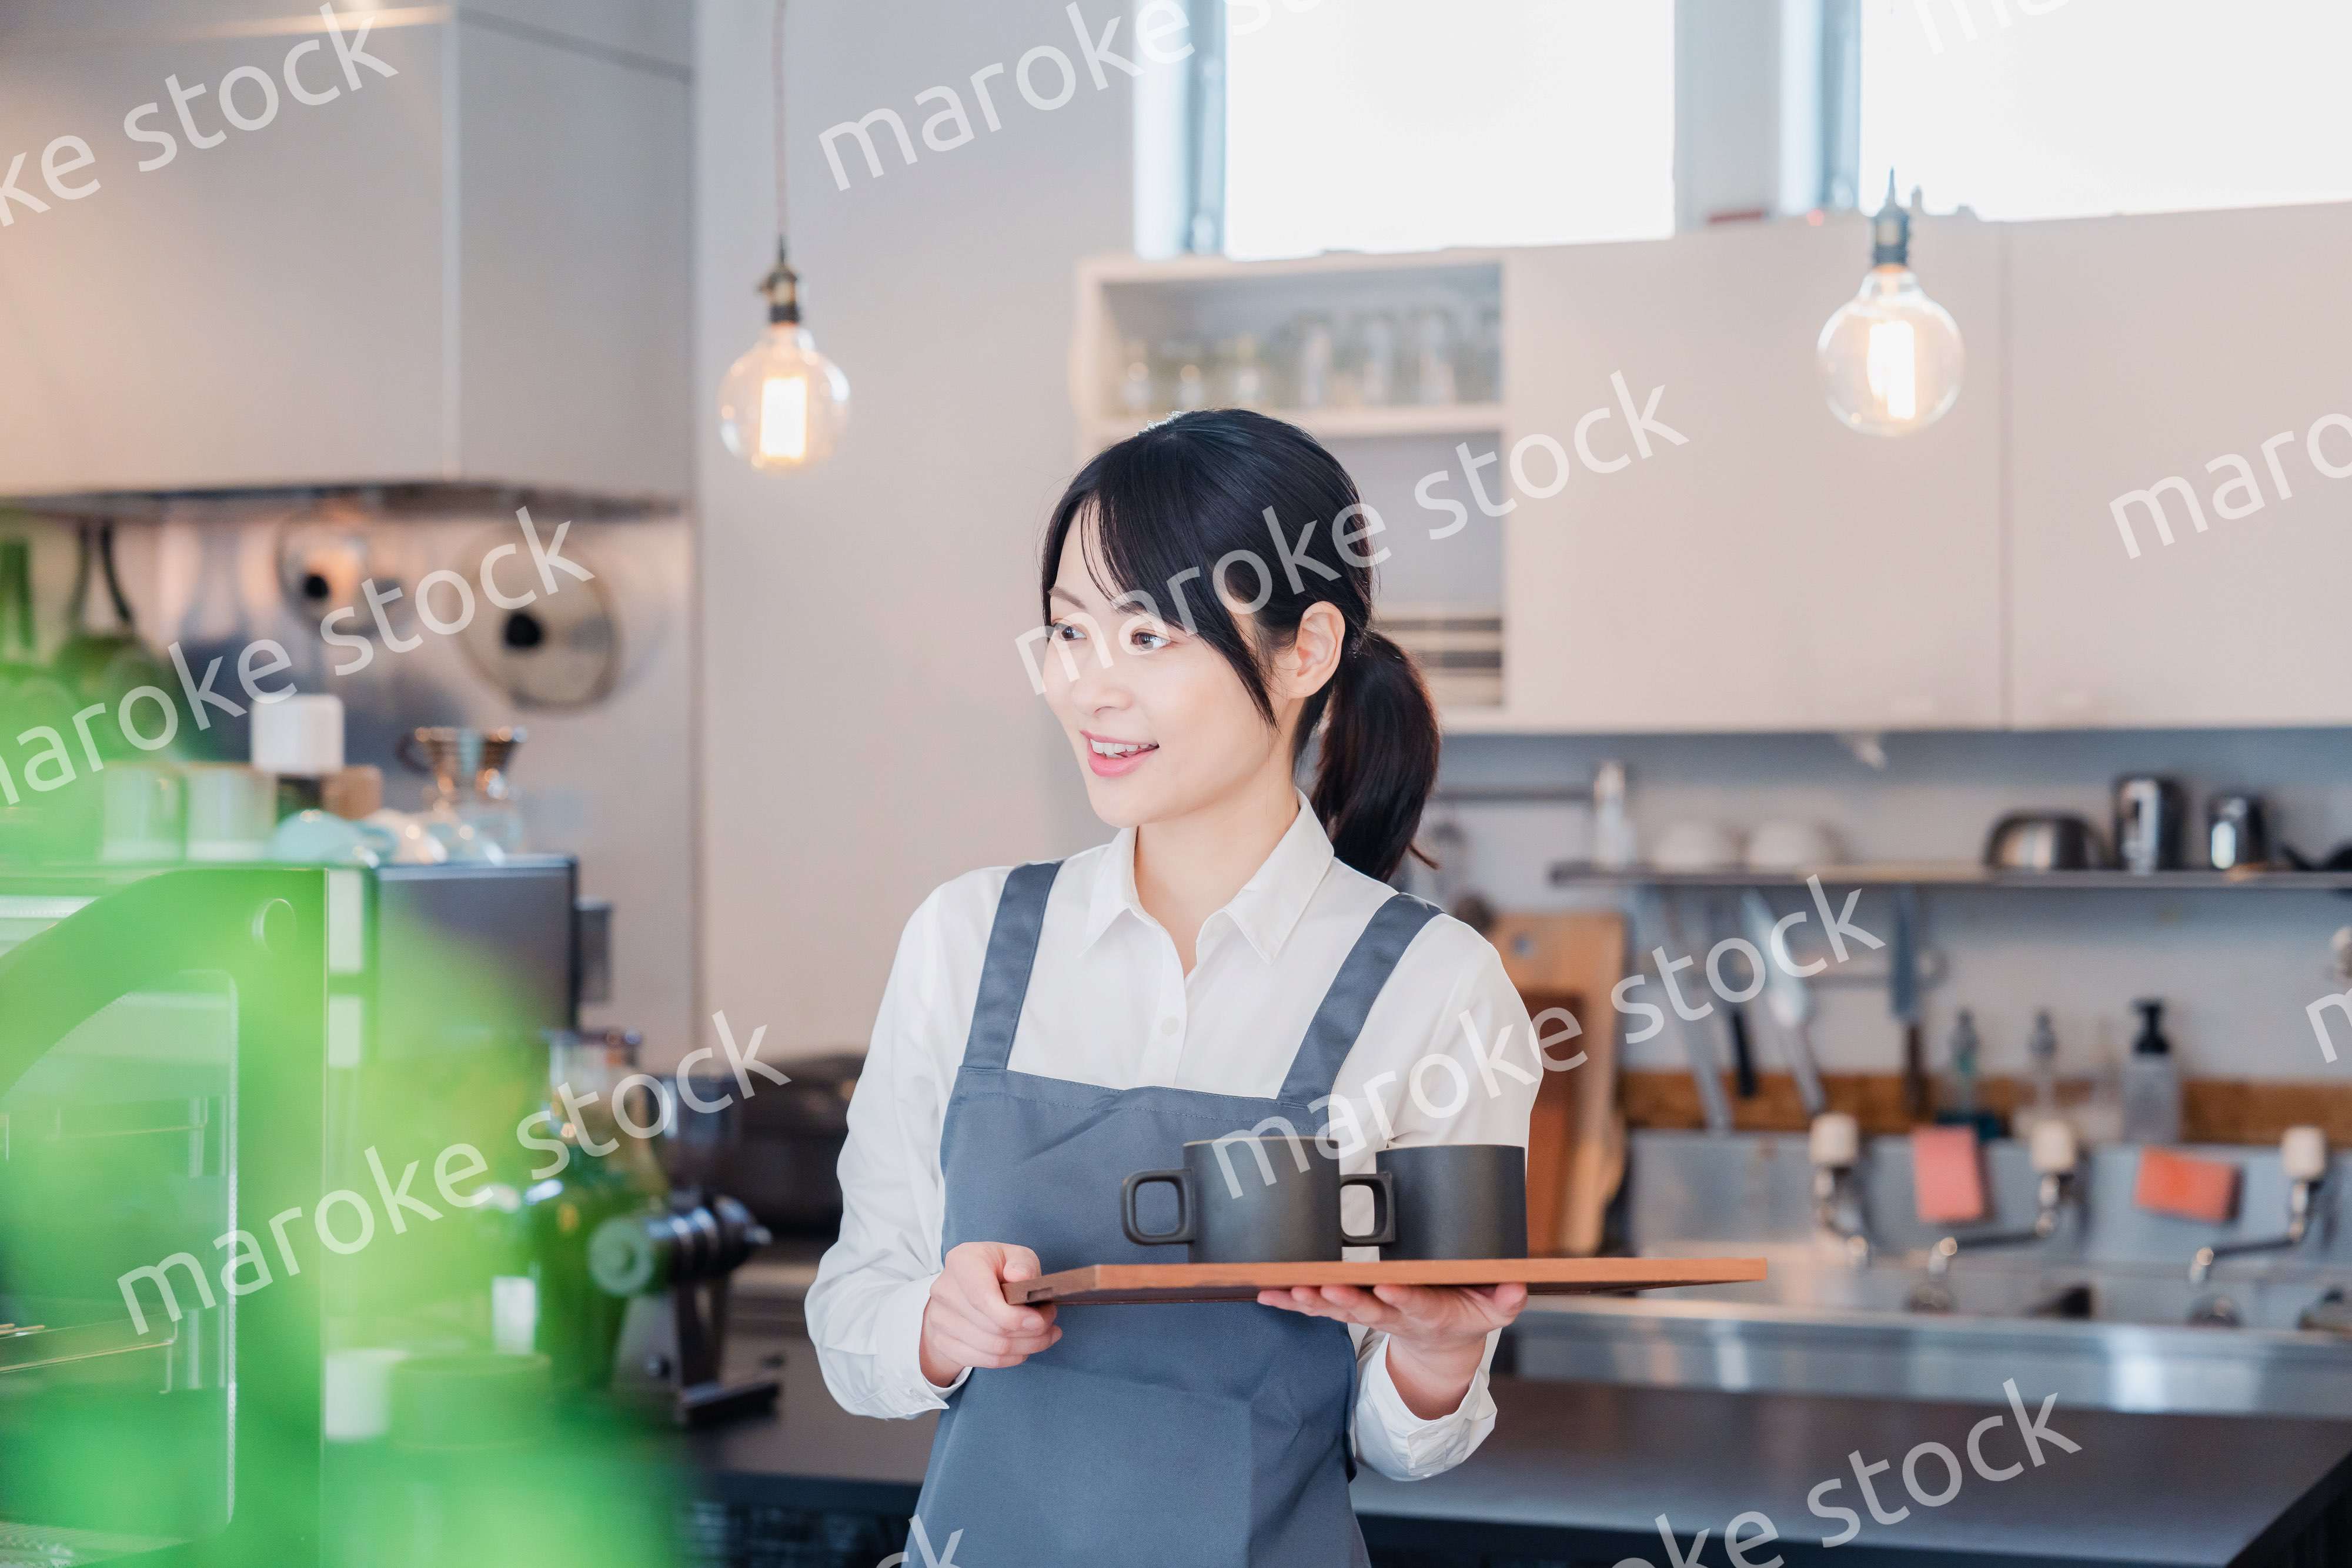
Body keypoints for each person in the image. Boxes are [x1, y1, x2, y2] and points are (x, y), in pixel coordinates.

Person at [807, 409, 1539, 1564]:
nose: (1088, 689)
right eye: (1068, 632)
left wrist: (1441, 1348)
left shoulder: (1437, 987)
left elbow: (1400, 1444)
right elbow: (854, 1315)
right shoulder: (964, 937)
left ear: (1304, 651)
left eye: (1147, 635)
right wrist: (936, 1325)